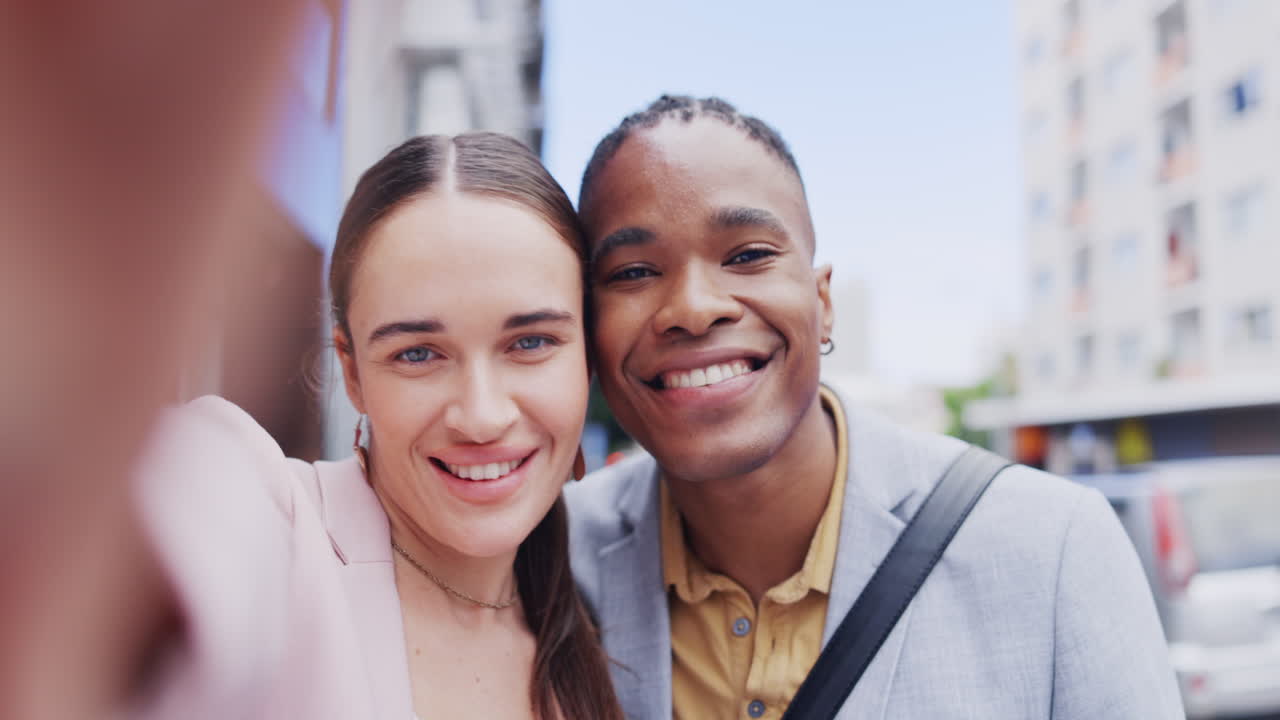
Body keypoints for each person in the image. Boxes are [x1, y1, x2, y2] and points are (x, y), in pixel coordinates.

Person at [564, 95, 1185, 719]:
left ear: (823, 302)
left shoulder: (1054, 546)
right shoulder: (547, 558)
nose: (694, 308)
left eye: (748, 255)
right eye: (634, 272)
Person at [134, 133, 622, 719]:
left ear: (588, 357)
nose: (482, 416)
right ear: (352, 371)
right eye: (418, 353)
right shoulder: (275, 527)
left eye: (531, 342)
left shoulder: (597, 629)